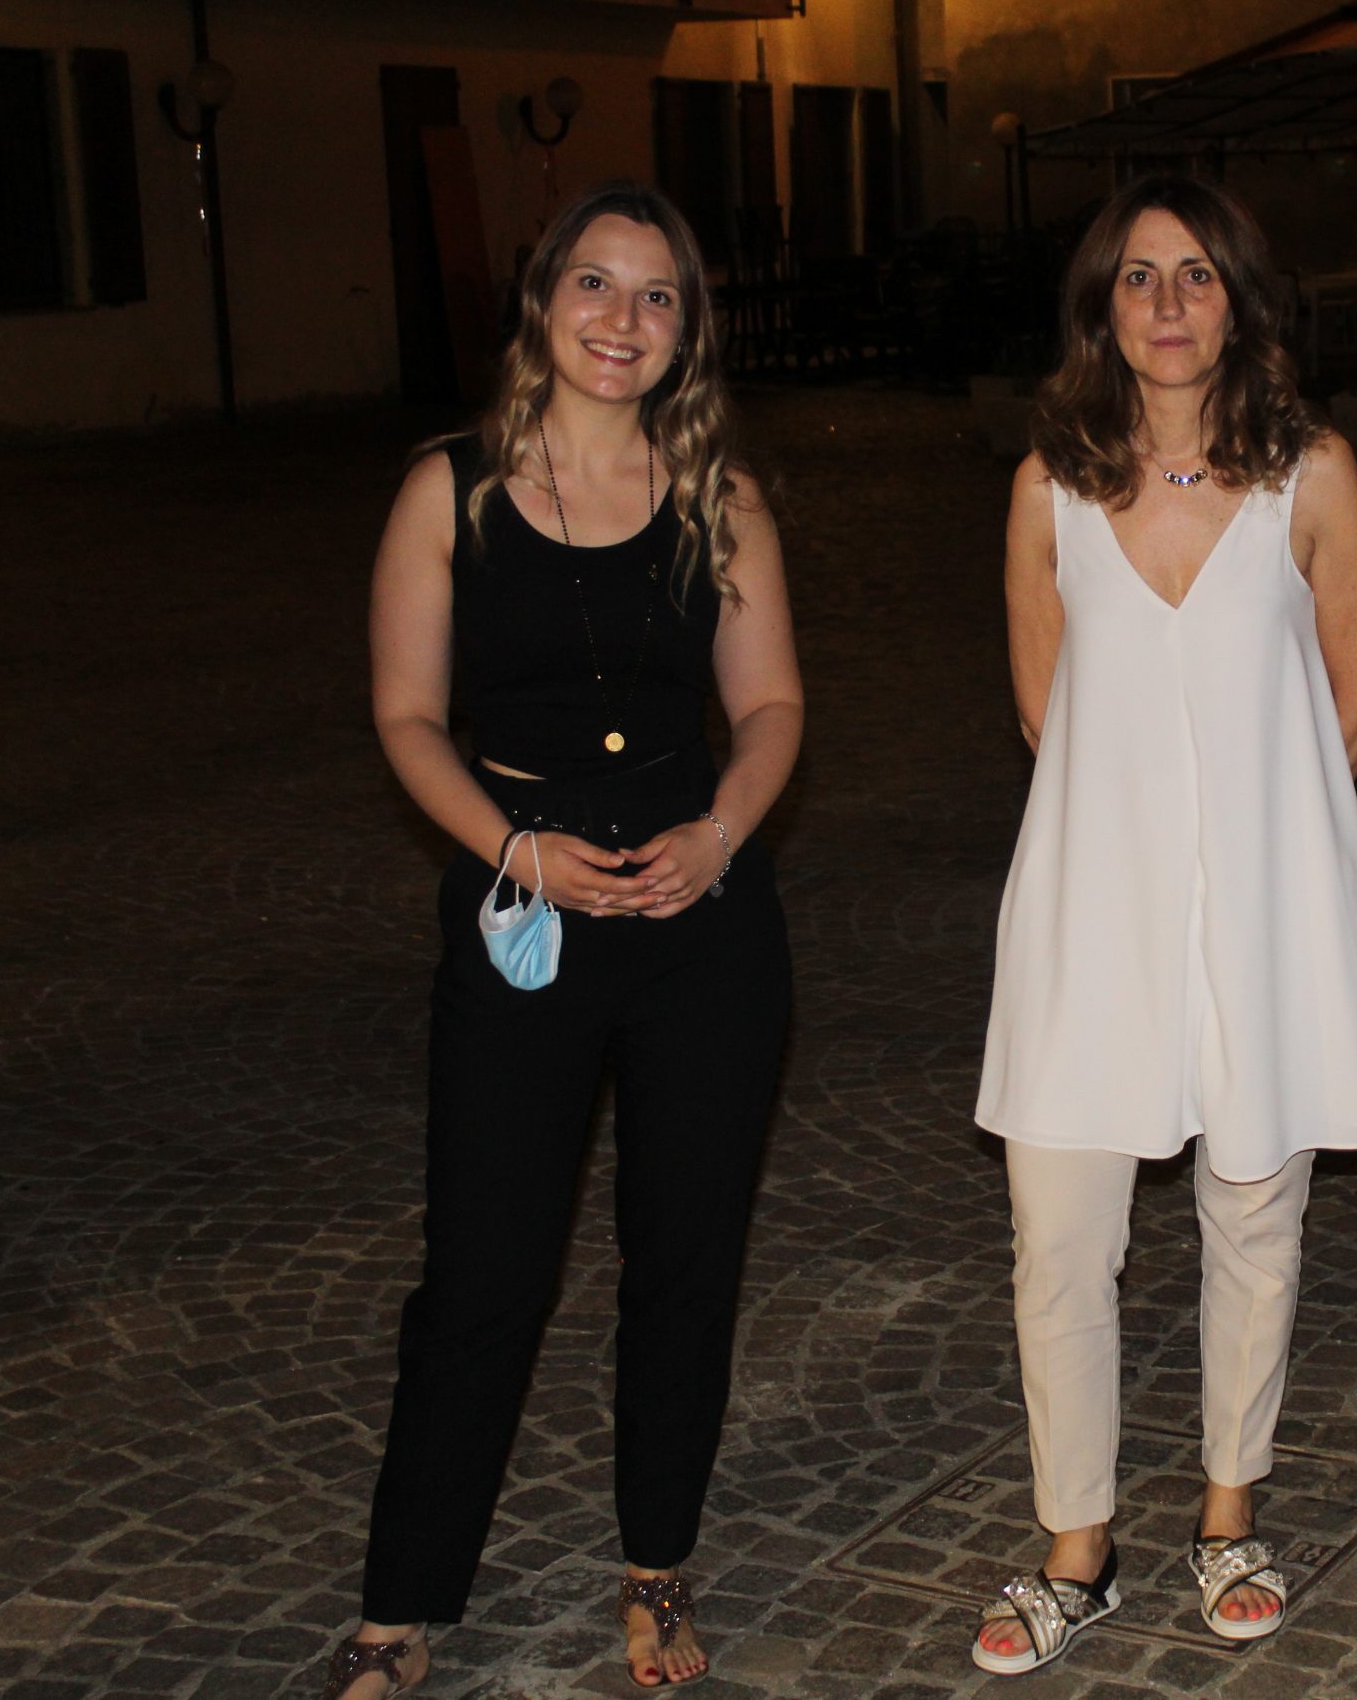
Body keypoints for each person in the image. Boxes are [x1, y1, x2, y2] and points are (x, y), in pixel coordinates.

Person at [320, 180, 801, 1699]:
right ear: (542, 302)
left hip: (696, 920)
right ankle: (403, 1602)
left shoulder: (719, 494)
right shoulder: (449, 493)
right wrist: (514, 848)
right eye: (596, 284)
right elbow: (407, 716)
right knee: (483, 1269)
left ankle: (657, 1568)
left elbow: (772, 704)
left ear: (687, 329)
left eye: (657, 296)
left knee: (684, 1261)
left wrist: (718, 834)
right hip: (520, 905)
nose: (622, 320)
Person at [968, 174, 1357, 1674]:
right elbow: (1046, 709)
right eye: (1140, 276)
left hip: (1266, 913)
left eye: (1197, 275)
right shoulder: (1047, 486)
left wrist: (1261, 839)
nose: (1168, 303)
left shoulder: (1313, 473)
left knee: (1255, 1222)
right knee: (1059, 1236)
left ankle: (1229, 1515)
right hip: (1093, 908)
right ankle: (1076, 1547)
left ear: (1241, 301)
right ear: (1103, 306)